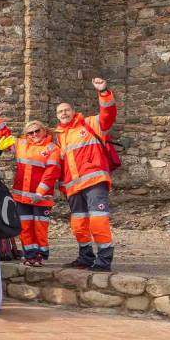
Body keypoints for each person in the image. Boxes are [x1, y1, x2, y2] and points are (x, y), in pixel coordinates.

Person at [55, 78, 117, 270]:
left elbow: (108, 113)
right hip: (73, 187)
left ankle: (104, 260)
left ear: (73, 111)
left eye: (66, 110)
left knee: (98, 221)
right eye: (60, 112)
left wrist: (104, 91)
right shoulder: (59, 136)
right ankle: (85, 257)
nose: (64, 113)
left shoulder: (90, 123)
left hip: (94, 182)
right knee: (79, 224)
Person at [1, 118, 61, 266]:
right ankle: (30, 255)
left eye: (37, 131)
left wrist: (39, 192)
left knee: (40, 227)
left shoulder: (52, 148)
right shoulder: (21, 144)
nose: (34, 134)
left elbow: (51, 172)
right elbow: (5, 136)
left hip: (42, 197)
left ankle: (40, 255)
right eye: (30, 132)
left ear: (44, 130)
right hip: (22, 196)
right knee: (25, 226)